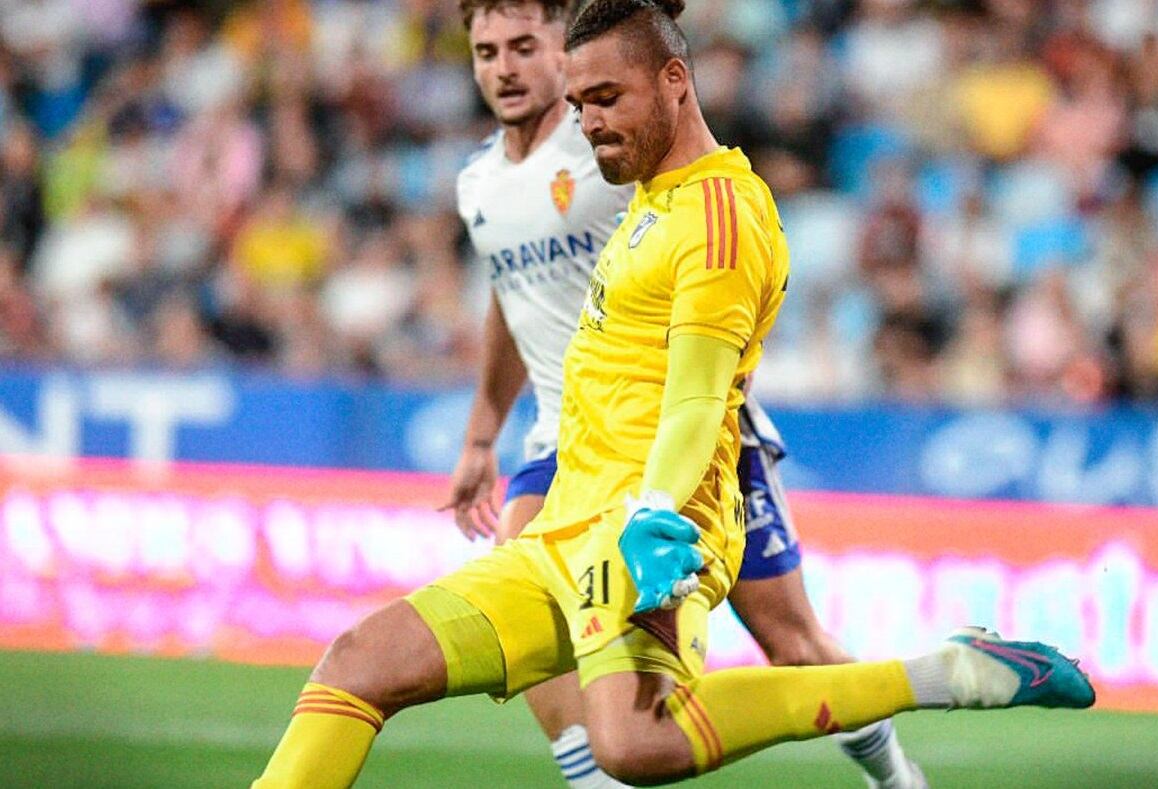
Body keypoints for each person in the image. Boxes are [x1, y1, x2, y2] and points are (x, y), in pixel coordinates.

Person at [252, 2, 1094, 786]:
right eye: (578, 104)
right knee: (357, 662)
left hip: (645, 518)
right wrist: (487, 435)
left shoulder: (721, 216)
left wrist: (656, 512)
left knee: (644, 737)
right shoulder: (643, 197)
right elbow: (528, 314)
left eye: (606, 98)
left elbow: (697, 397)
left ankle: (938, 676)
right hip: (563, 519)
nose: (587, 125)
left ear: (674, 81)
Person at [443, 1, 922, 786]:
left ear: (561, 50)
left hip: (682, 429)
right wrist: (478, 434)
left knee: (794, 644)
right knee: (522, 620)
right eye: (486, 51)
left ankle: (894, 774)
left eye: (525, 46)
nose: (505, 67)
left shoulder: (610, 137)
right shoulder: (478, 183)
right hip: (564, 441)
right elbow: (509, 296)